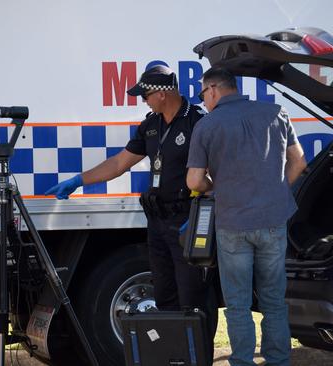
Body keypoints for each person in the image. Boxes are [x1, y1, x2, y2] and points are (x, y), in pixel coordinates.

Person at [44, 65, 218, 362]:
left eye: (146, 95)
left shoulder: (198, 122)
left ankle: (198, 358)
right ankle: (173, 357)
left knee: (193, 298)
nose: (143, 100)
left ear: (162, 94)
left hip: (186, 221)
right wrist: (78, 181)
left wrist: (202, 212)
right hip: (157, 222)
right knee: (164, 296)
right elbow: (119, 163)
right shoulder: (150, 124)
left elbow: (218, 175)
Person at [186, 68, 307, 366]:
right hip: (272, 221)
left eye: (203, 95)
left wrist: (215, 188)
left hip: (233, 224)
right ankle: (278, 361)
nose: (203, 101)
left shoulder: (207, 125)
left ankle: (242, 362)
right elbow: (299, 163)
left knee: (238, 305)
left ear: (213, 89)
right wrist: (275, 191)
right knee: (274, 302)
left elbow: (194, 182)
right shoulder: (277, 113)